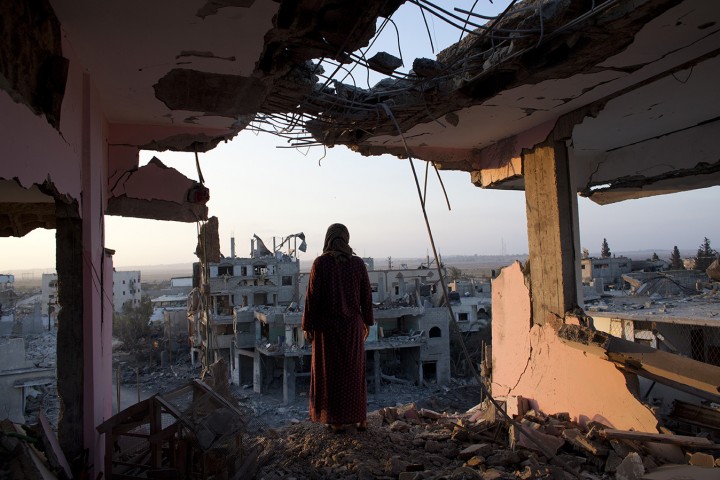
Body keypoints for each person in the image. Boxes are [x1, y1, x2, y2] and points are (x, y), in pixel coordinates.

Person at [302, 223, 374, 433]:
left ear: (328, 239)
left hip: (327, 330)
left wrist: (307, 325)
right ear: (346, 238)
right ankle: (360, 419)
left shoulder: (321, 264)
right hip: (352, 328)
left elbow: (312, 298)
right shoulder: (358, 264)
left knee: (330, 374)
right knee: (354, 373)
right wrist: (368, 321)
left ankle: (336, 421)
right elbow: (366, 297)